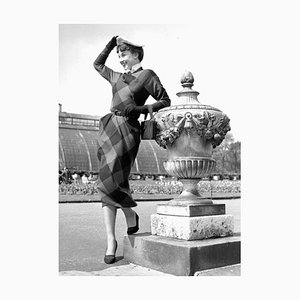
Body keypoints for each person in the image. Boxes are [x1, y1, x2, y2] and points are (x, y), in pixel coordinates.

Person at [93, 36, 171, 264]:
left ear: (136, 54)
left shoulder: (147, 76)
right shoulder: (115, 76)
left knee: (114, 180)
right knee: (106, 180)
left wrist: (141, 108)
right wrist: (110, 44)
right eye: (118, 55)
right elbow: (97, 64)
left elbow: (165, 100)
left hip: (128, 130)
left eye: (123, 54)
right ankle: (112, 238)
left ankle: (129, 214)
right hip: (108, 128)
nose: (120, 59)